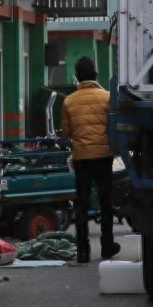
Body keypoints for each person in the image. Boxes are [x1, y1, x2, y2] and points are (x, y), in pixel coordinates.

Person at [61, 57, 120, 264]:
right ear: (95, 75)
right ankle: (107, 246)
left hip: (82, 158)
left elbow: (67, 131)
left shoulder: (68, 101)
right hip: (103, 158)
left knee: (82, 205)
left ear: (76, 76)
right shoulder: (107, 97)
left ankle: (83, 251)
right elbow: (113, 126)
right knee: (105, 203)